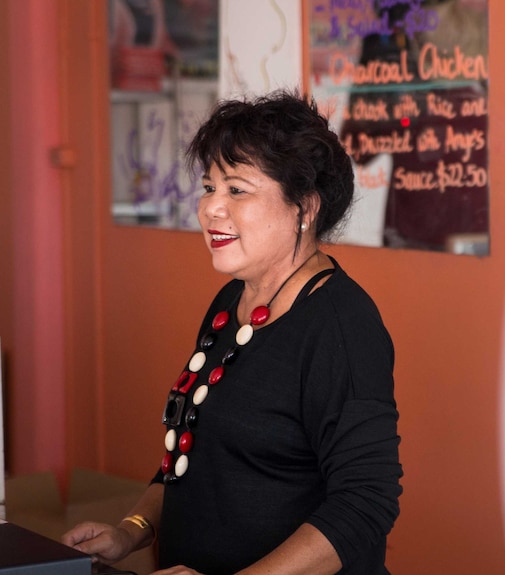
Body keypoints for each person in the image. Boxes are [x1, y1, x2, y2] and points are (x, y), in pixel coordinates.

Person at [62, 89, 403, 575]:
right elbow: (193, 452)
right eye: (208, 188)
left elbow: (366, 504)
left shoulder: (342, 327)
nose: (210, 210)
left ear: (303, 207)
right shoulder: (233, 302)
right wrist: (131, 530)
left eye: (236, 190)